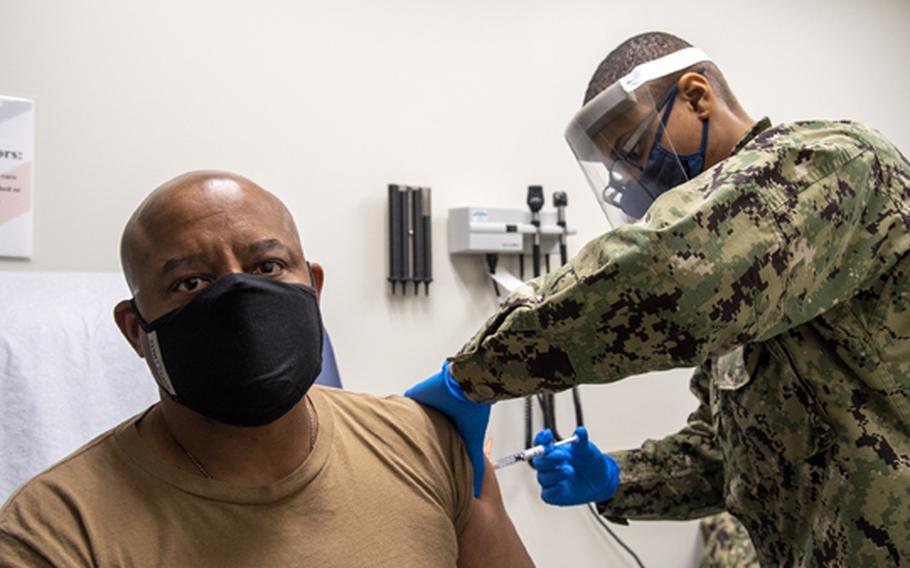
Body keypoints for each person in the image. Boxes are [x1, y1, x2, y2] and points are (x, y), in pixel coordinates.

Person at [408, 31, 910, 566]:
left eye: (632, 152)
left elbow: (662, 274)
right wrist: (616, 478)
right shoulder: (743, 279)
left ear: (697, 97)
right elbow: (729, 457)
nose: (630, 182)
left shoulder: (832, 166)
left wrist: (475, 373)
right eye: (616, 173)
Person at [0, 171, 533, 567]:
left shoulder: (426, 443)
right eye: (191, 281)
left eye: (267, 267)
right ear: (136, 330)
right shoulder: (56, 532)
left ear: (314, 289)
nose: (238, 296)